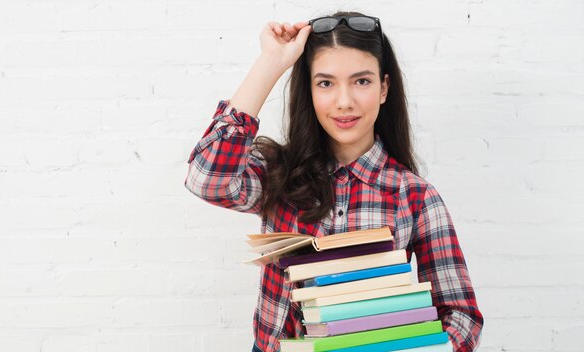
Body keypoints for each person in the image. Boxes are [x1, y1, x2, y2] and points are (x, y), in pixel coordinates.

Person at [184, 10, 483, 352]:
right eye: (326, 83)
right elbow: (205, 179)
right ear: (309, 91)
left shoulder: (414, 196)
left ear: (384, 88)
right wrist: (271, 63)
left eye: (362, 81)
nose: (344, 102)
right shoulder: (276, 173)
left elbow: (461, 315)